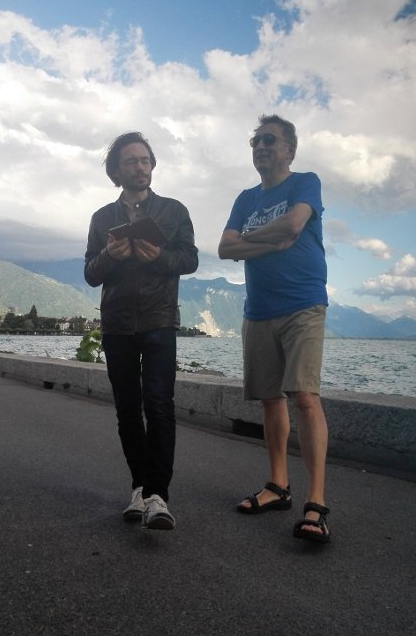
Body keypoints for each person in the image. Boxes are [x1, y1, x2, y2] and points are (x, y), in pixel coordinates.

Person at [218, 114, 330, 543]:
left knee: (304, 396)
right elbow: (224, 247)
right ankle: (278, 487)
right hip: (258, 309)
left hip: (303, 303)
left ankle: (316, 504)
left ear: (289, 150)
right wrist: (273, 239)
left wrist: (251, 242)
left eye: (270, 139)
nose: (261, 146)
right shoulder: (245, 198)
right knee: (270, 399)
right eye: (255, 141)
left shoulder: (305, 182)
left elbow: (294, 225)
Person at [84, 131, 198, 530]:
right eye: (131, 161)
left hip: (159, 320)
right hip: (117, 324)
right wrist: (108, 255)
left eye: (145, 160)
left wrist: (160, 257)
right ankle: (139, 487)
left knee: (159, 404)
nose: (140, 167)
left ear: (152, 166)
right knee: (128, 409)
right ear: (116, 171)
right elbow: (91, 274)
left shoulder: (174, 210)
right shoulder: (102, 218)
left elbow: (190, 260)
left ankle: (158, 496)